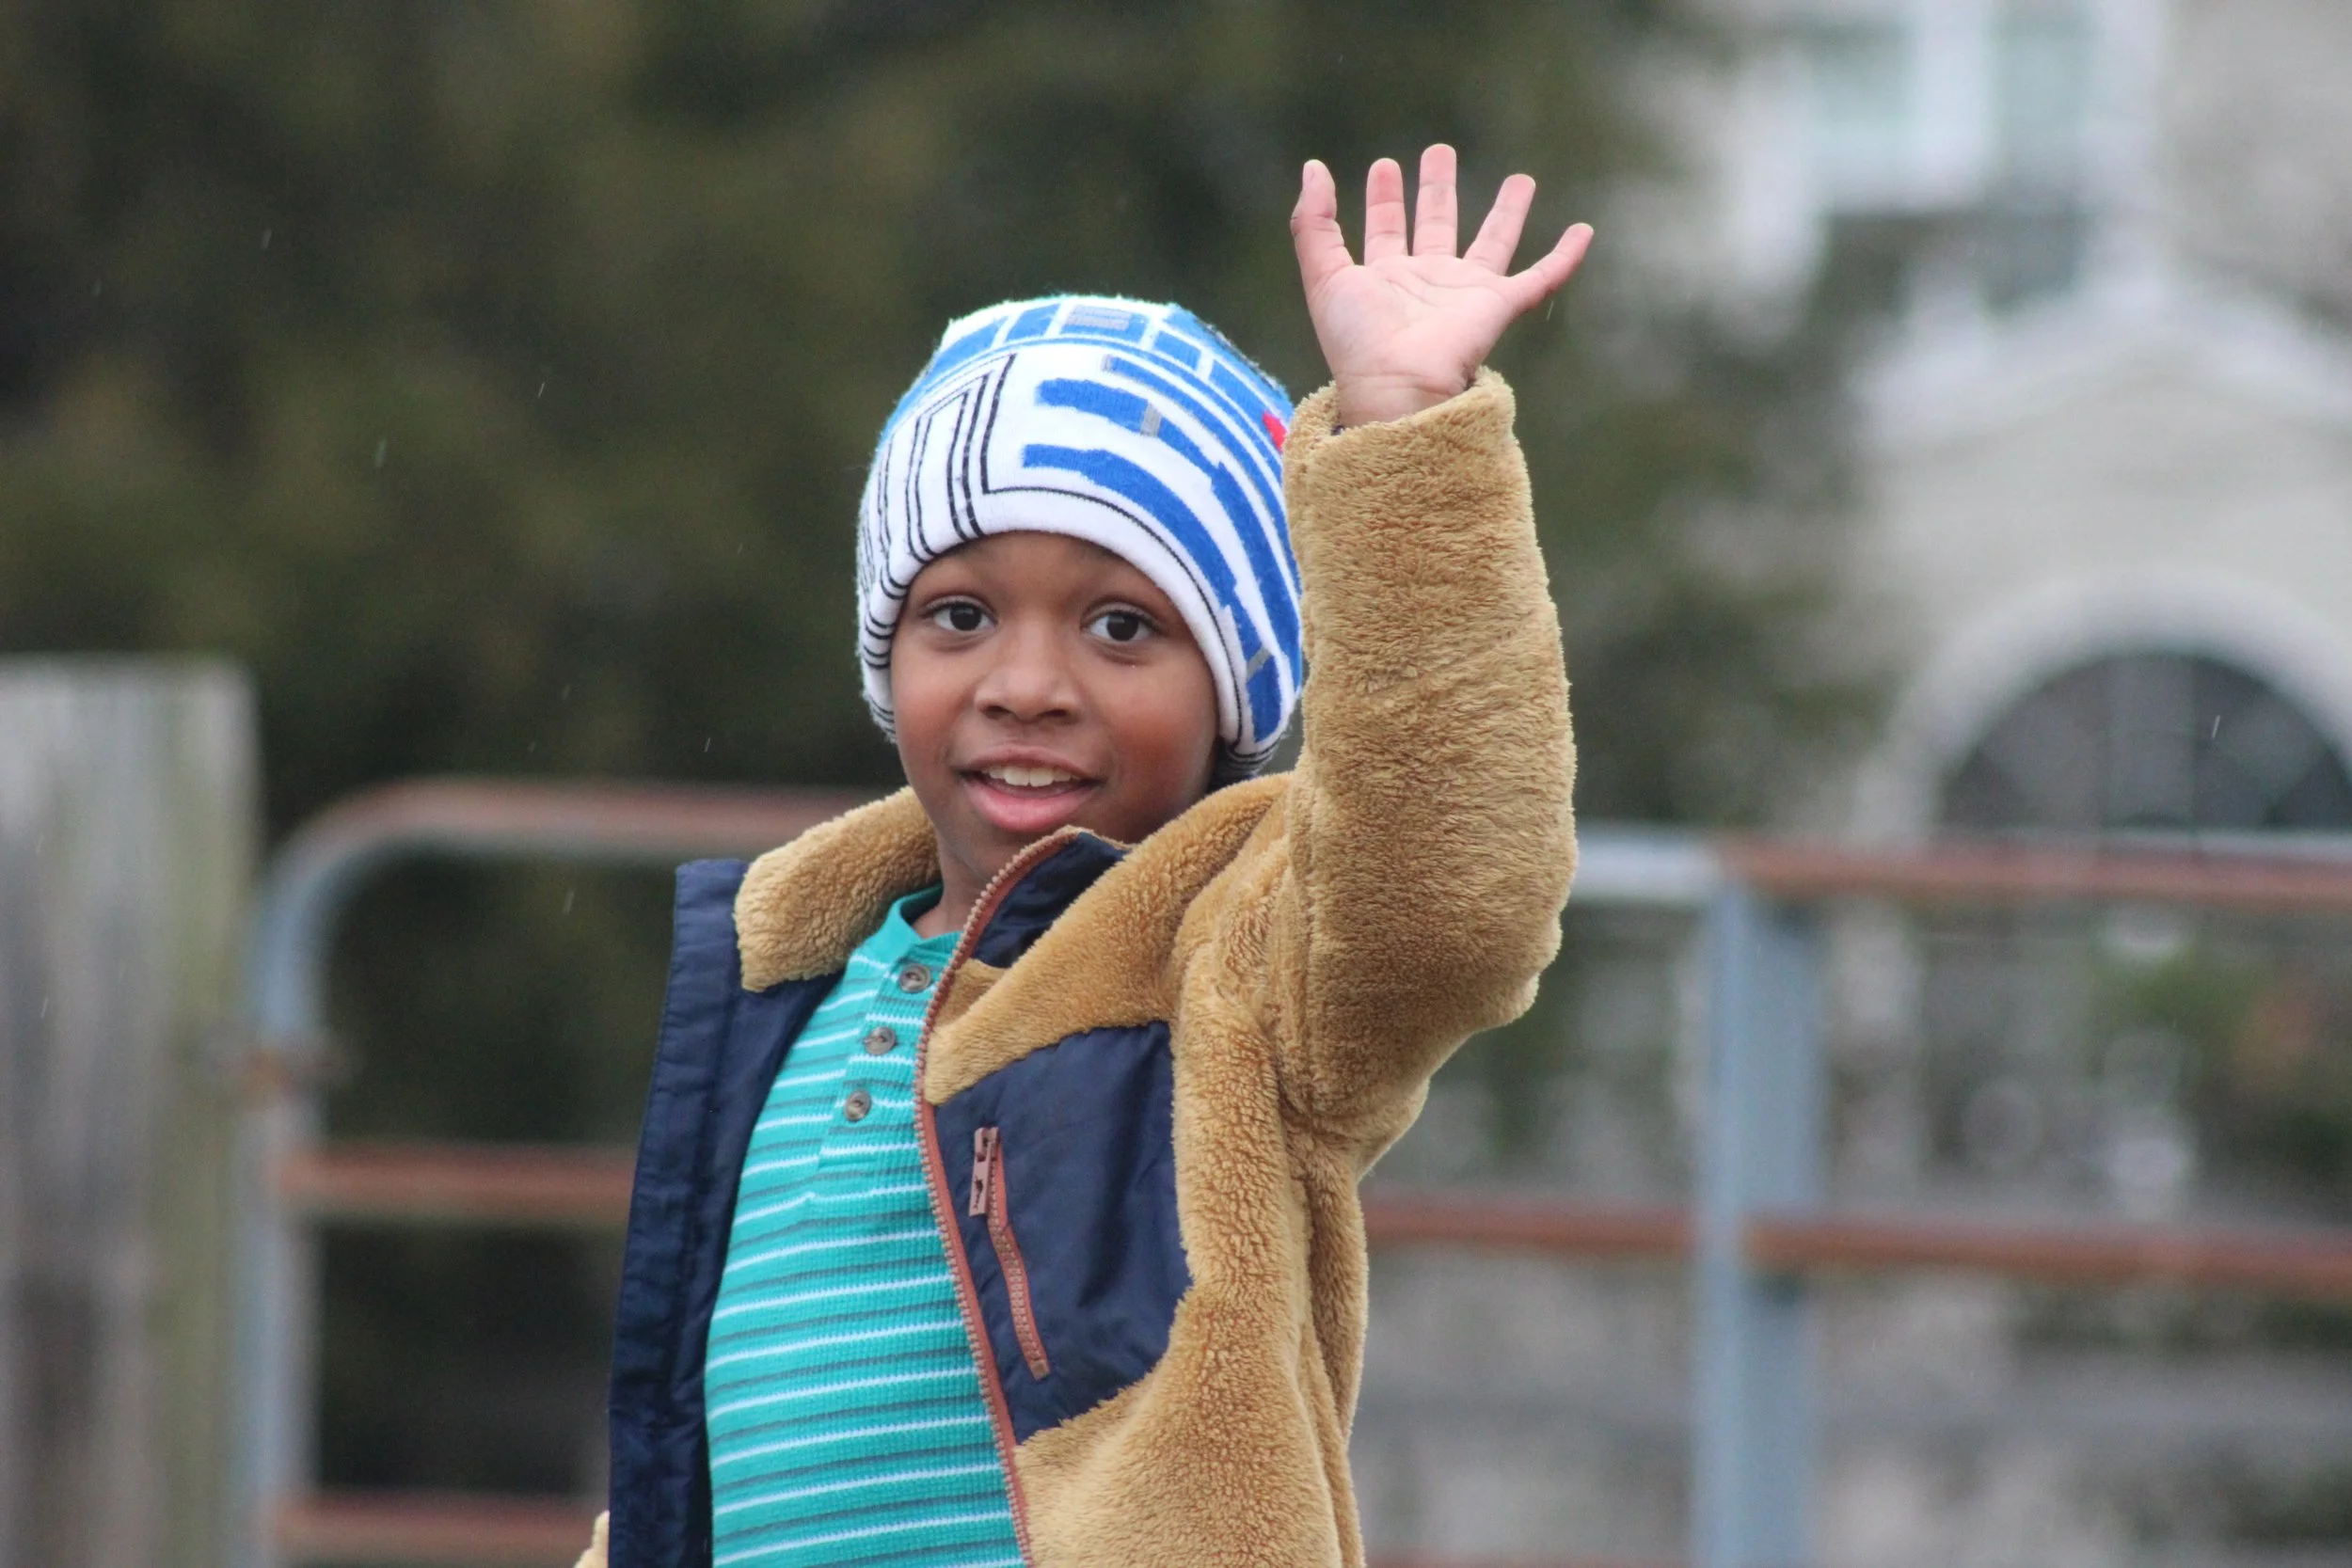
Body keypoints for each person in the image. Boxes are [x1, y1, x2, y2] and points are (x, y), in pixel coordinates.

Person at [580, 145, 1586, 1568]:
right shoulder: (788, 985)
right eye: (960, 617)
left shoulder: (1237, 962)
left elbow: (1449, 898)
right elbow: (701, 1456)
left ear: (1233, 686)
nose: (1026, 682)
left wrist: (1403, 431)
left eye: (1122, 627)